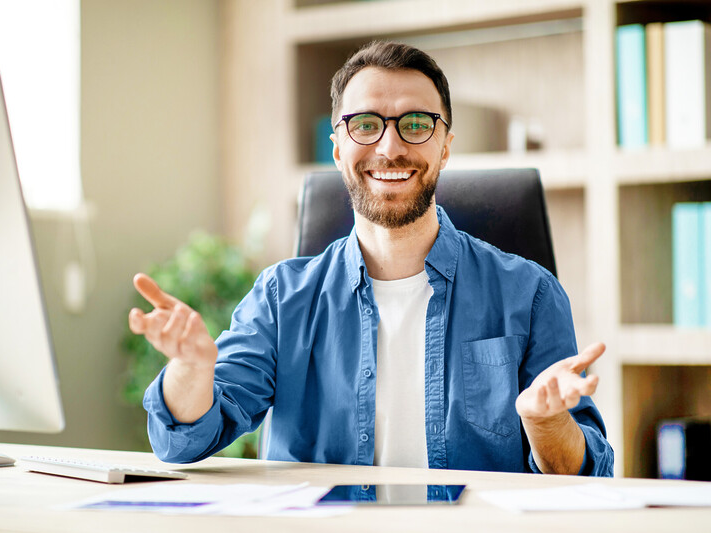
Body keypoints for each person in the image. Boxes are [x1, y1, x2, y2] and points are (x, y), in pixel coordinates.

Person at [129, 41, 614, 476]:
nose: (390, 147)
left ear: (446, 147)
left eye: (416, 125)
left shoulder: (529, 294)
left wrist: (546, 422)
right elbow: (184, 442)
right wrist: (191, 372)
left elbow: (582, 477)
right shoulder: (281, 298)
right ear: (338, 150)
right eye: (365, 125)